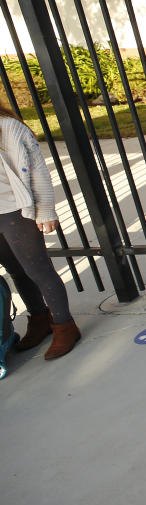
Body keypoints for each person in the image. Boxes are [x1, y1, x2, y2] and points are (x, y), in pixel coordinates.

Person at [0, 101, 80, 359]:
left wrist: (45, 208)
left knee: (38, 269)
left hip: (15, 210)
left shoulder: (9, 128)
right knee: (16, 272)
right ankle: (39, 319)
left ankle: (65, 325)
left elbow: (37, 171)